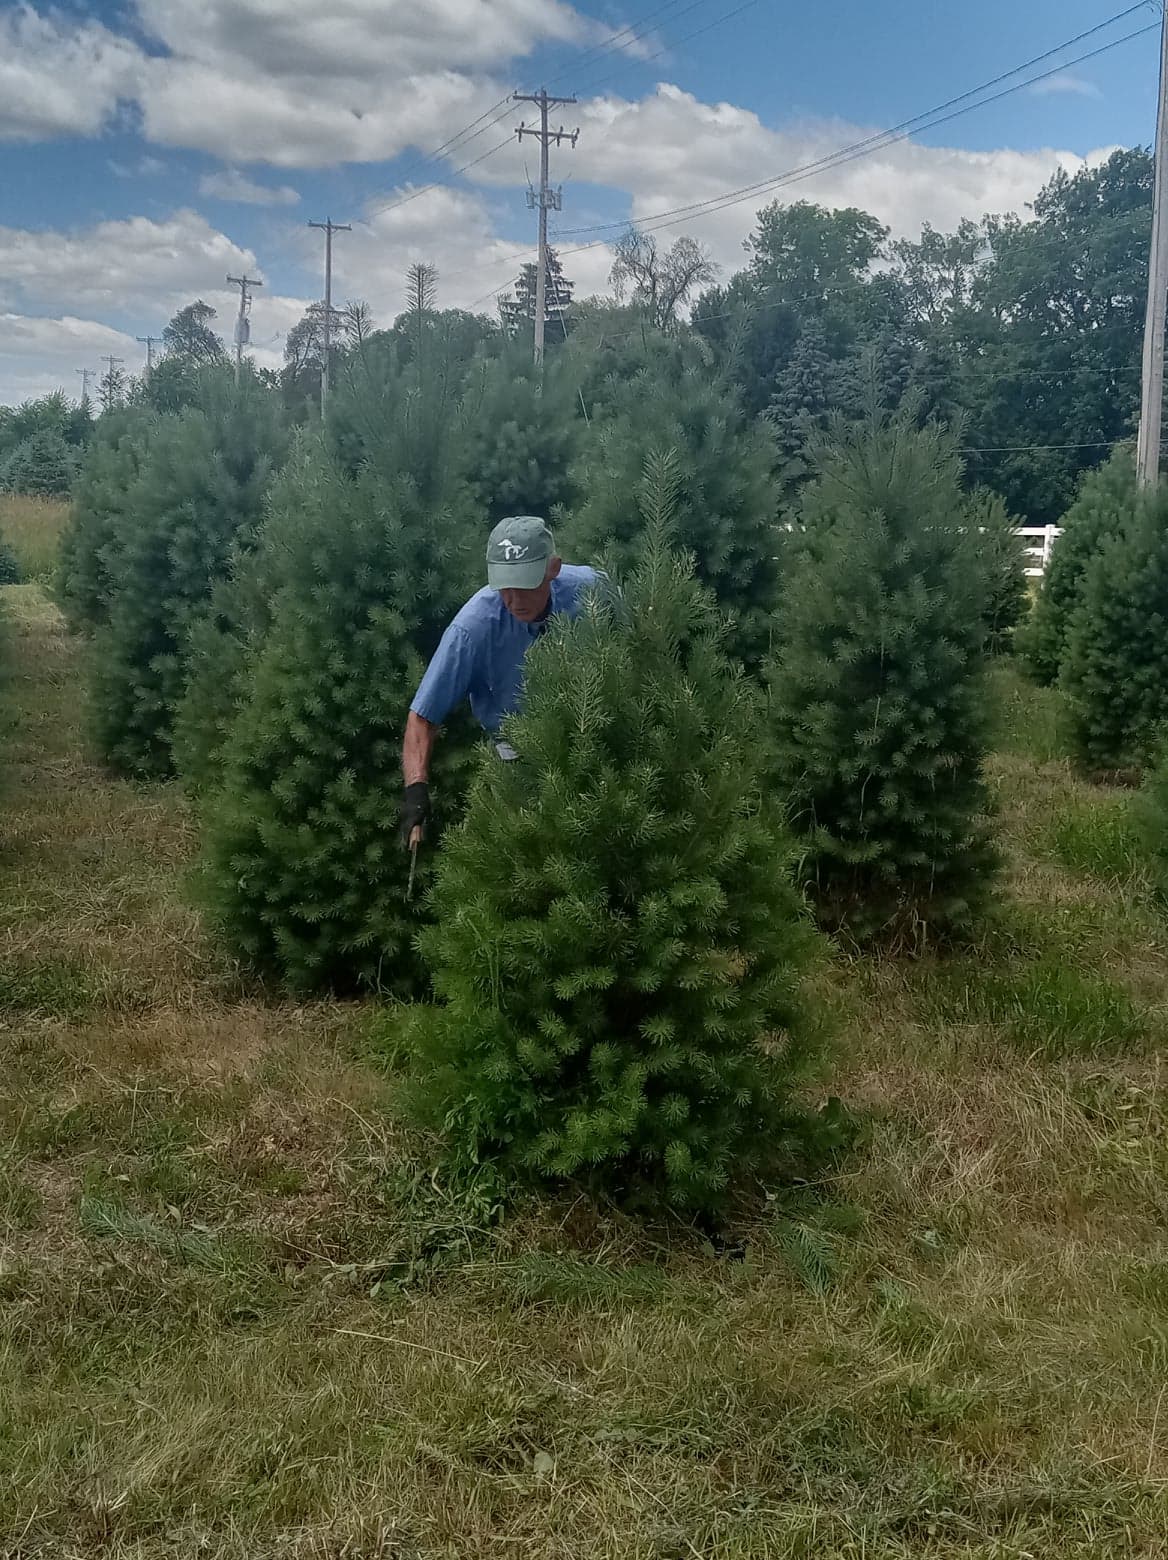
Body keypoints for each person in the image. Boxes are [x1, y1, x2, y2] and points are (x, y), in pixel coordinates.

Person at [400, 515, 600, 845]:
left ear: (553, 568)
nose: (514, 599)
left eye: (525, 584)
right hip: (518, 768)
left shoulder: (594, 592)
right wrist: (415, 793)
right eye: (505, 586)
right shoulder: (472, 630)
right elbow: (422, 717)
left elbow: (642, 645)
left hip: (594, 752)